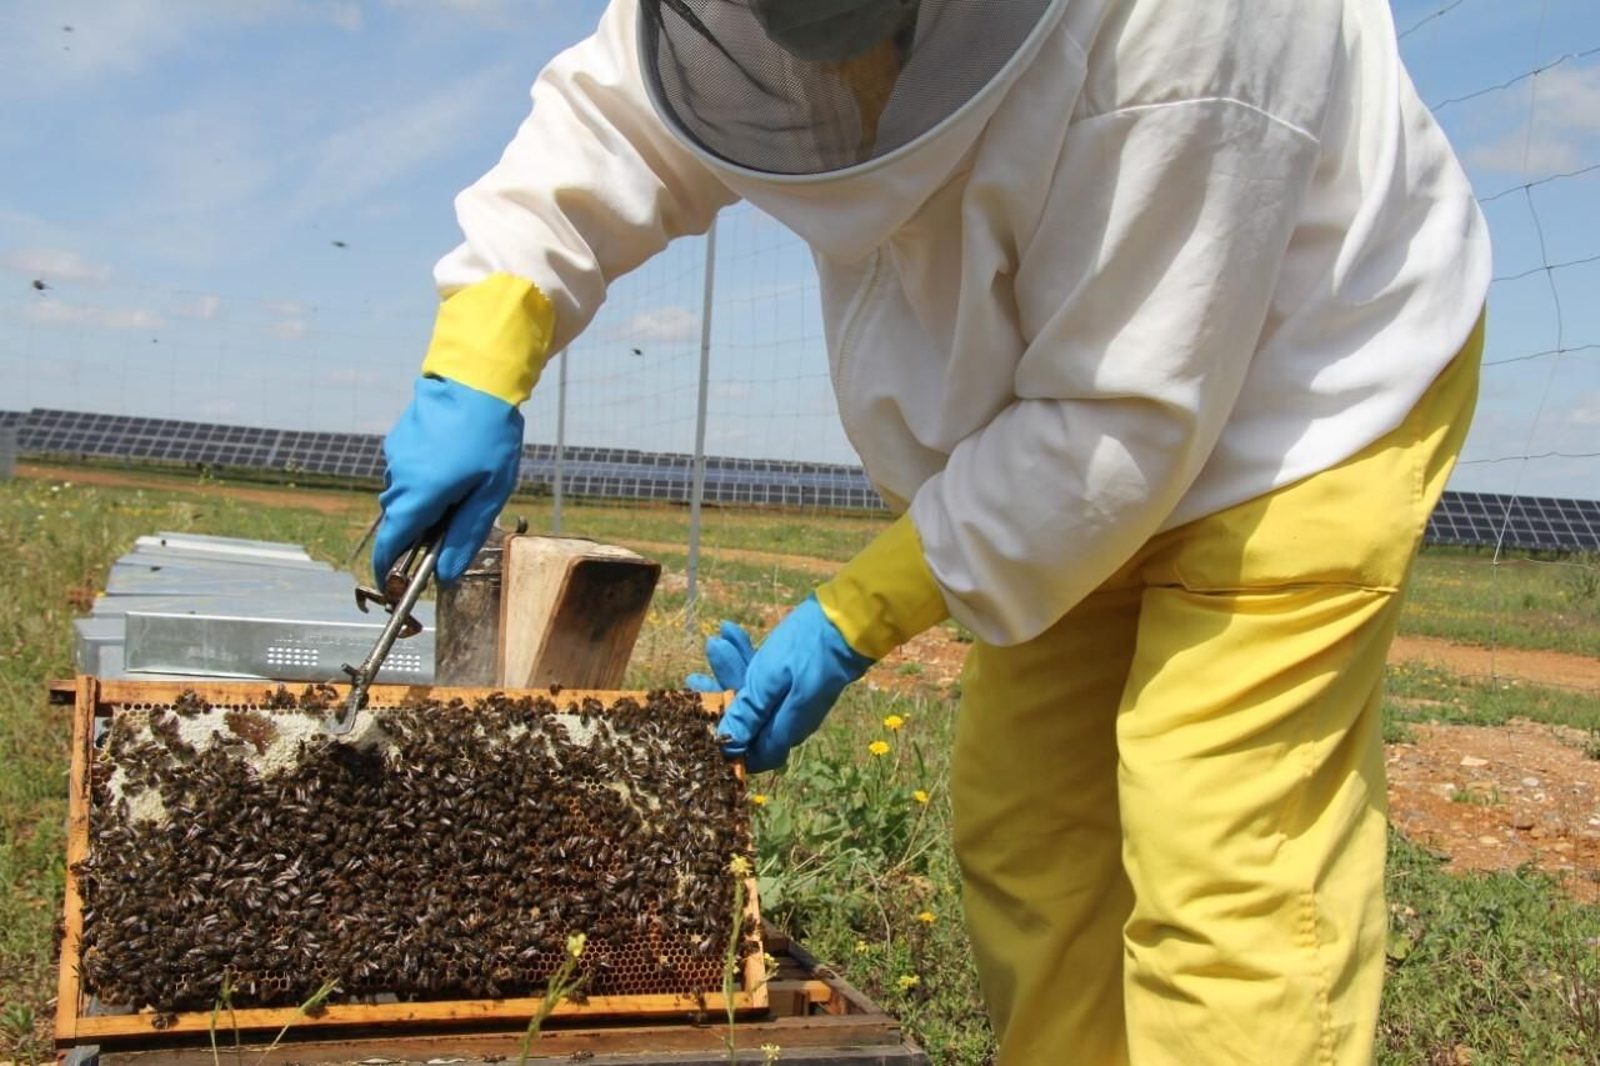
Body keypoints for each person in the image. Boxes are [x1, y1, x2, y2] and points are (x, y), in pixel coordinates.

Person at [373, 1, 1490, 1061]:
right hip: (1058, 413)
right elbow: (619, 113)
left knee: (1225, 844)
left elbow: (1115, 423)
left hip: (1299, 396)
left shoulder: (1192, 40)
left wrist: (853, 616)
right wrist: (483, 346)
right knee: (1031, 835)